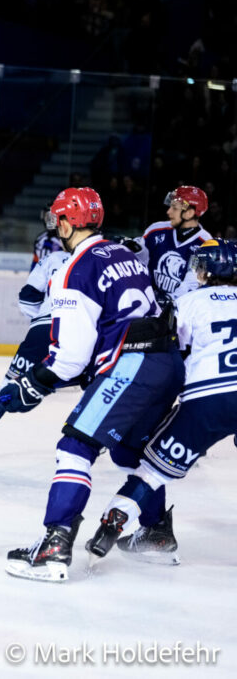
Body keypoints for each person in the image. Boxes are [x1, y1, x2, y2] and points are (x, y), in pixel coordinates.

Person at [0, 186, 185, 582]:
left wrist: (32, 385)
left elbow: (69, 357)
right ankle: (155, 534)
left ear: (67, 222)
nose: (56, 226)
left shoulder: (74, 267)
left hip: (131, 364)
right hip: (165, 363)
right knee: (128, 450)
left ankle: (54, 544)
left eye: (58, 218)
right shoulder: (122, 252)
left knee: (75, 445)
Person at [86, 239, 237, 566]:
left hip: (206, 400)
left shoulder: (190, 300)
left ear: (207, 270)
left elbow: (171, 353)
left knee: (152, 471)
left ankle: (110, 528)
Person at [0, 219, 70, 457]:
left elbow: (27, 298)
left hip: (45, 328)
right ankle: (94, 438)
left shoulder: (53, 258)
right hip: (88, 335)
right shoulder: (103, 258)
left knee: (10, 383)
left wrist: (42, 318)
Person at [129, 186, 212, 302]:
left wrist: (168, 301)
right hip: (148, 305)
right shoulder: (156, 230)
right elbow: (140, 261)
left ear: (189, 213)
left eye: (174, 208)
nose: (168, 212)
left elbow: (192, 284)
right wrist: (131, 248)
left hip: (179, 312)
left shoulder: (206, 244)